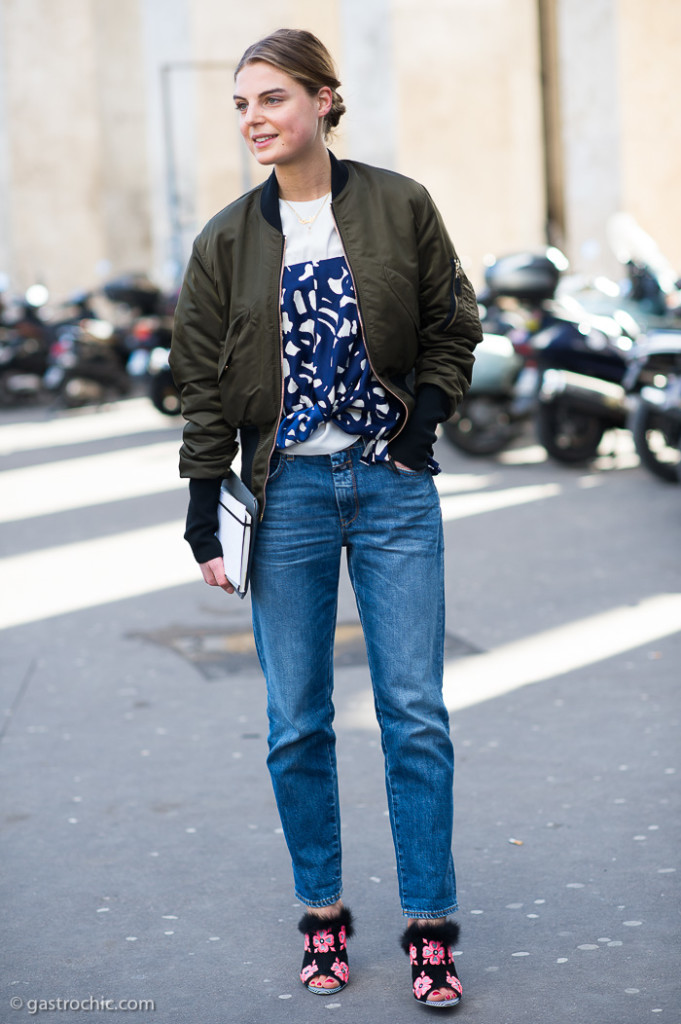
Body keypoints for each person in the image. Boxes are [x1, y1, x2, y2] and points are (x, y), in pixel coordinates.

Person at [169, 28, 482, 1008]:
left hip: (393, 490)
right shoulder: (226, 238)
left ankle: (431, 923)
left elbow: (451, 322)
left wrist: (424, 423)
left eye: (271, 98)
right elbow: (202, 384)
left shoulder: (399, 205)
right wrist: (201, 508)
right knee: (296, 722)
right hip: (286, 499)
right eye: (241, 106)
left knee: (414, 716)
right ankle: (323, 912)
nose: (254, 119)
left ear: (322, 100)